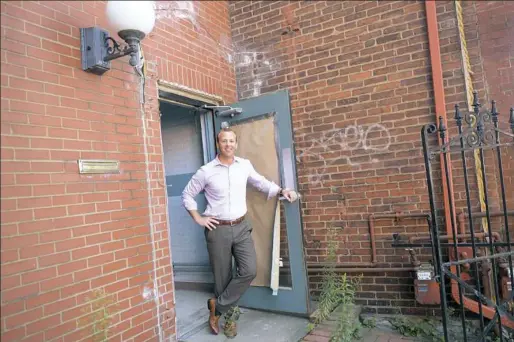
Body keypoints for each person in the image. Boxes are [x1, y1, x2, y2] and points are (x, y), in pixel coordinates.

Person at [181, 127, 297, 337]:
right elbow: (187, 195)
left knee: (249, 270)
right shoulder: (206, 171)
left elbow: (260, 182)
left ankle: (217, 306)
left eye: (232, 141)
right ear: (218, 144)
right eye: (224, 141)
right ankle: (229, 320)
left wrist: (282, 191)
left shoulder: (244, 165)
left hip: (241, 226)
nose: (228, 145)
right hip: (218, 230)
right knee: (222, 278)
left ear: (236, 143)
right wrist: (198, 218)